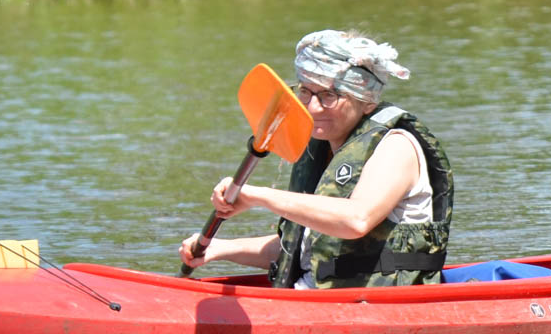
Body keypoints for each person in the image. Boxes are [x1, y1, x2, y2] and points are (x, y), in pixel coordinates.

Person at [178, 30, 455, 288]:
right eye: (306, 91)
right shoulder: (321, 149)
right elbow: (301, 248)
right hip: (317, 297)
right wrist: (221, 249)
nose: (312, 106)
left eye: (329, 95)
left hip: (375, 305)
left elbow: (356, 220)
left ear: (367, 101)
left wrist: (259, 196)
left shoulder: (395, 147)